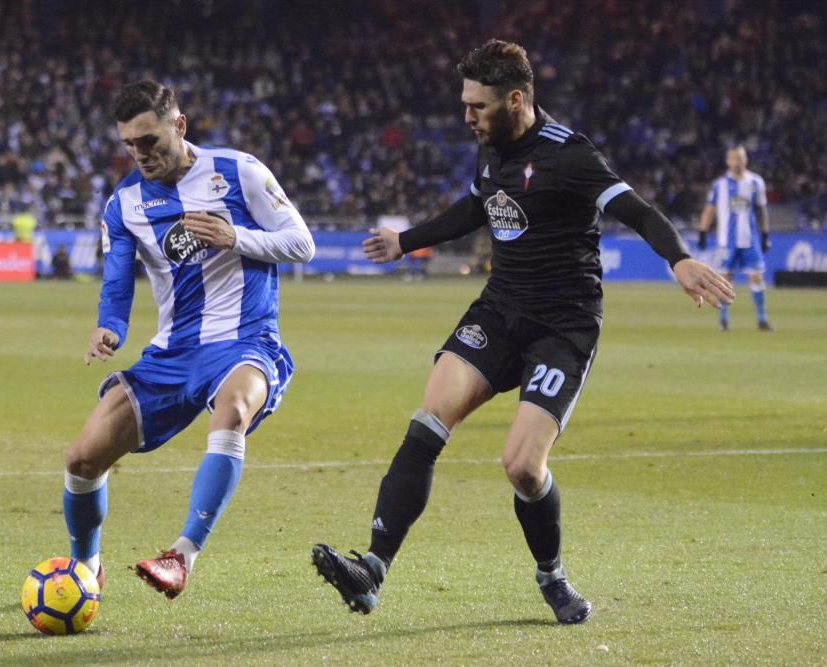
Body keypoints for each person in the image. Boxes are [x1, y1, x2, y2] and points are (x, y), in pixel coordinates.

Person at [311, 39, 734, 625]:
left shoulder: (571, 155)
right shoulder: (491, 151)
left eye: (477, 106)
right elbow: (475, 207)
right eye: (464, 104)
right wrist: (405, 241)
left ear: (516, 100)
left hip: (563, 326)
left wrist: (679, 258)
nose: (467, 117)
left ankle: (552, 577)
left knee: (522, 467)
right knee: (428, 419)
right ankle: (373, 569)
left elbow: (635, 210)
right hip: (500, 310)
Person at [64, 80, 315, 598]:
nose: (140, 155)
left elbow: (302, 243)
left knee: (233, 412)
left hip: (246, 339)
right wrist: (110, 327)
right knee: (82, 460)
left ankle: (182, 555)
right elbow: (116, 280)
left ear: (178, 126)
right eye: (129, 145)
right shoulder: (125, 203)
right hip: (173, 351)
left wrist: (236, 237)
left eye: (149, 141)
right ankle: (86, 567)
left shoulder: (239, 171)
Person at [698, 146, 773, 331]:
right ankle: (723, 320)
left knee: (756, 278)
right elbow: (710, 209)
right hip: (725, 242)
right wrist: (702, 232)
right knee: (724, 281)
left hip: (750, 240)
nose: (737, 162)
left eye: (740, 158)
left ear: (746, 160)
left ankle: (762, 319)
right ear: (728, 161)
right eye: (733, 159)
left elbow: (762, 210)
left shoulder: (756, 182)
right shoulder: (719, 185)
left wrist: (764, 234)